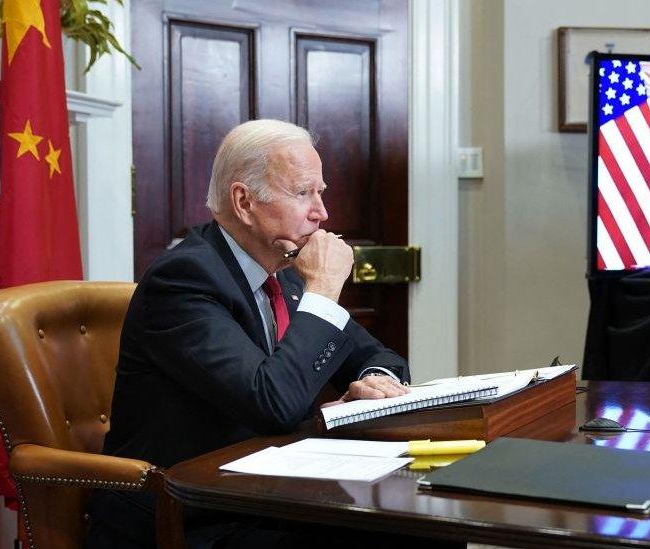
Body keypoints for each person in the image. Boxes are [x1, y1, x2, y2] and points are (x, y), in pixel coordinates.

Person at [86, 119, 412, 548]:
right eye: (302, 193)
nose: (322, 212)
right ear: (244, 202)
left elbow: (381, 357)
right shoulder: (184, 279)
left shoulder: (288, 274)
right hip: (188, 513)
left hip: (267, 493)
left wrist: (376, 383)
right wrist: (326, 290)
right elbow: (271, 403)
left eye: (320, 192)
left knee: (419, 523)